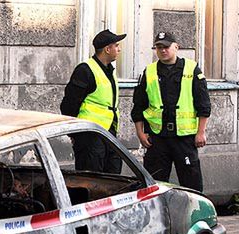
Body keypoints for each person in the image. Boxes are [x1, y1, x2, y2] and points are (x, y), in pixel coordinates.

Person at [131, 32, 210, 192]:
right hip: (157, 138)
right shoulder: (149, 71)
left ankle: (194, 215)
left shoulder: (192, 69)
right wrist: (140, 133)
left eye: (166, 47)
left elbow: (203, 104)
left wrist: (201, 132)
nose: (162, 50)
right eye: (159, 47)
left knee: (192, 185)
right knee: (154, 186)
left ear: (176, 47)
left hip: (185, 139)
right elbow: (138, 106)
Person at [60, 29, 126, 173]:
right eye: (116, 45)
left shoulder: (109, 71)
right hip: (89, 135)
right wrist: (74, 133)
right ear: (107, 49)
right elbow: (69, 104)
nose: (119, 49)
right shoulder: (85, 70)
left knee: (113, 176)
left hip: (108, 133)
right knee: (92, 178)